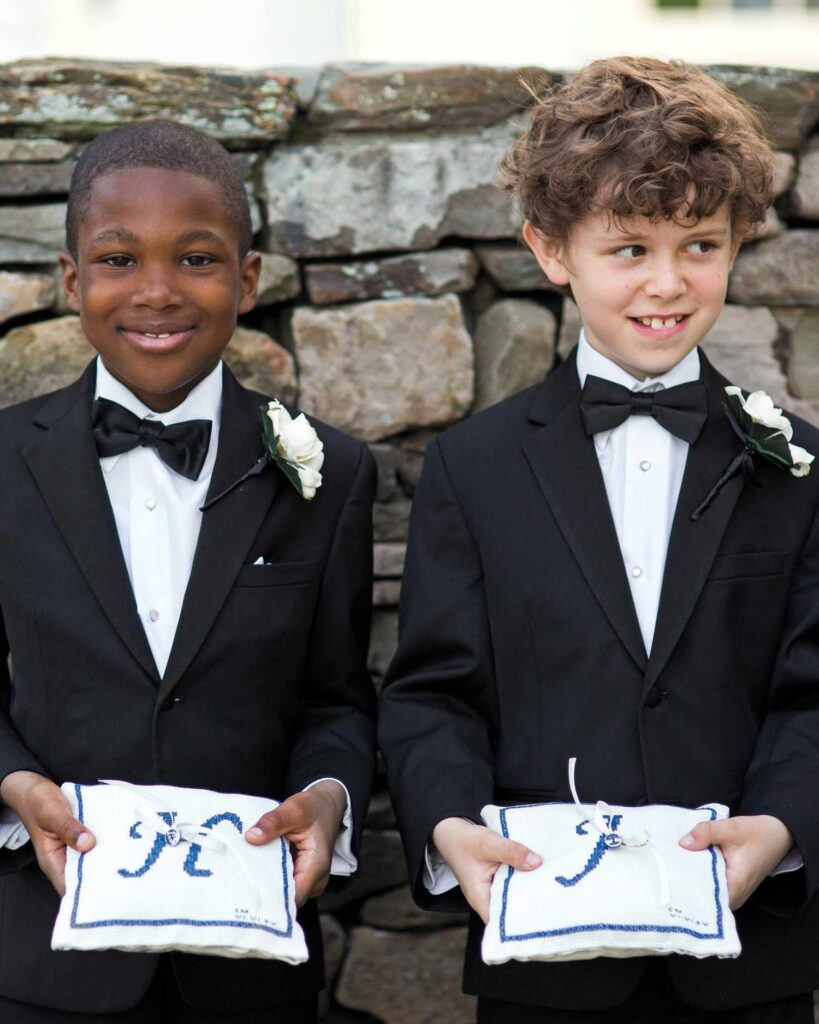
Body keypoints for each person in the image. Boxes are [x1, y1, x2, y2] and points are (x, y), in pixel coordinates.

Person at [379, 57, 819, 1023]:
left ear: (738, 241)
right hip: (545, 962)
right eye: (628, 249)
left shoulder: (798, 467)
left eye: (700, 244)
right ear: (550, 249)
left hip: (752, 966)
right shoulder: (473, 468)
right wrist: (450, 827)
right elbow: (431, 694)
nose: (668, 283)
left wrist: (784, 827)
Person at [0, 119, 376, 1022]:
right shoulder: (4, 462)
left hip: (248, 964)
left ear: (246, 280)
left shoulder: (328, 472)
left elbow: (335, 698)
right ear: (72, 279)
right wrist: (14, 788)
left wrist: (327, 798)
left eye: (197, 259)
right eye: (120, 260)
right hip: (42, 960)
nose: (157, 292)